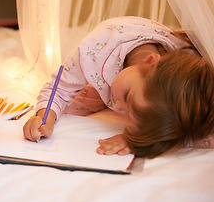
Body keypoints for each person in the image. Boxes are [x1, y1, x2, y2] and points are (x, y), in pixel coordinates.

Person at [23, 16, 214, 158]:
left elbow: (201, 132)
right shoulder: (93, 52)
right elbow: (59, 89)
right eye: (127, 97)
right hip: (106, 52)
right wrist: (43, 117)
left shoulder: (192, 83)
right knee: (73, 105)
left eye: (131, 114)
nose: (119, 108)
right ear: (148, 62)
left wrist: (140, 140)